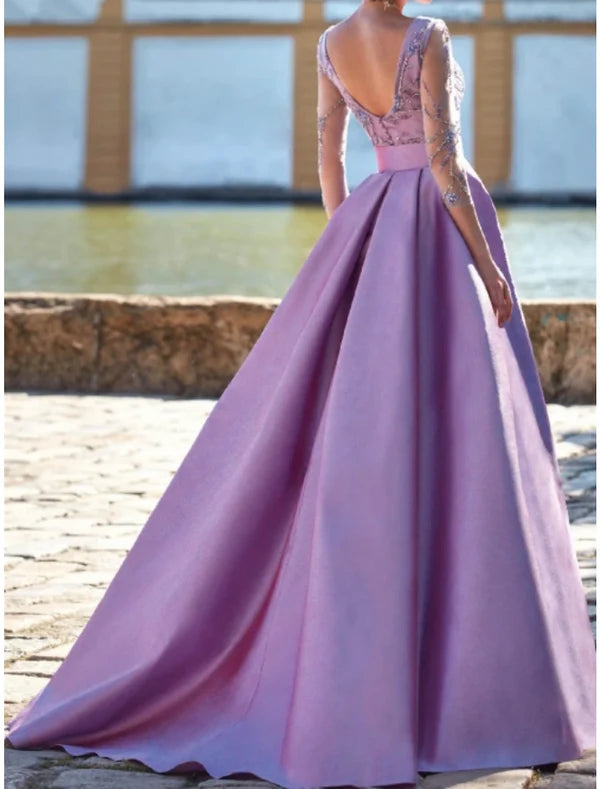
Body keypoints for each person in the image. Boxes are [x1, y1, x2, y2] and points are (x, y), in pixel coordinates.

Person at [5, 2, 595, 788]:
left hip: (375, 226)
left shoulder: (330, 44)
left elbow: (329, 154)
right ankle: (487, 697)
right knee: (471, 438)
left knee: (376, 436)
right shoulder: (428, 36)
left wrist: (354, 240)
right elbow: (446, 162)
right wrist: (488, 269)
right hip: (437, 235)